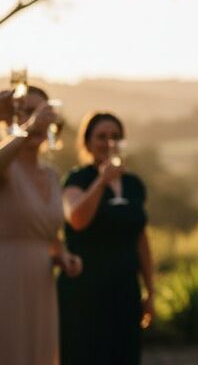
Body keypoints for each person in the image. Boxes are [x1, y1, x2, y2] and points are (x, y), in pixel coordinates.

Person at [0, 86, 83, 365]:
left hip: (41, 285)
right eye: (28, 112)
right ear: (15, 118)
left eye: (43, 113)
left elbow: (49, 234)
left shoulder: (51, 174)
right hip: (2, 276)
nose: (38, 119)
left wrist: (62, 256)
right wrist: (27, 129)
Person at [59, 112, 154, 365]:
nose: (109, 142)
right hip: (83, 292)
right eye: (101, 136)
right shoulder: (77, 180)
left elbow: (140, 238)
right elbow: (77, 220)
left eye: (115, 136)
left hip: (124, 290)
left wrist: (150, 290)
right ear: (87, 142)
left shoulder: (134, 184)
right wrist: (102, 181)